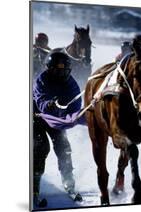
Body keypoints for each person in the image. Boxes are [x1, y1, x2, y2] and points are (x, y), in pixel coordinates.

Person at [33, 52, 82, 207]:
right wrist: (50, 104)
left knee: (63, 147)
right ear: (50, 69)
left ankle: (68, 182)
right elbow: (40, 100)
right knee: (41, 148)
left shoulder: (71, 83)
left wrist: (70, 114)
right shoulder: (42, 79)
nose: (62, 73)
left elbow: (76, 102)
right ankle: (34, 185)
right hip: (37, 117)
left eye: (65, 70)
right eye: (57, 70)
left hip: (56, 119)